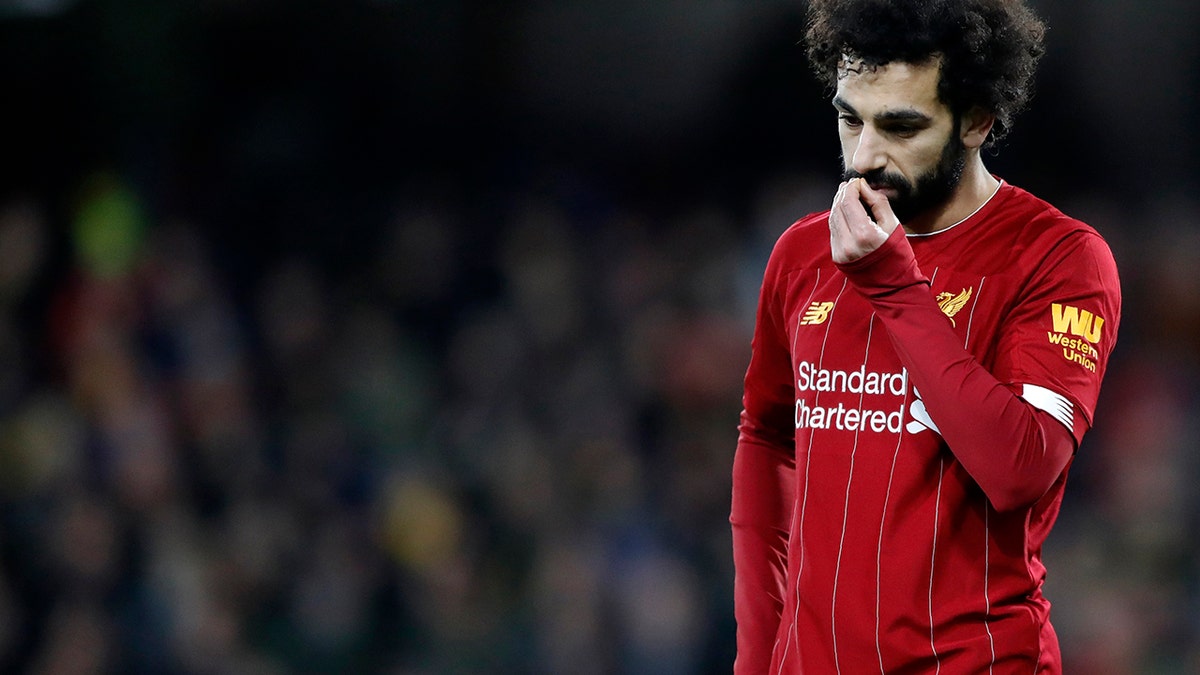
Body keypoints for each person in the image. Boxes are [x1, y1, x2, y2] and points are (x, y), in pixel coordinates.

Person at [729, 0, 1122, 672]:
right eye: (850, 118)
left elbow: (1021, 466)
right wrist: (760, 654)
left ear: (977, 120)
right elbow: (769, 440)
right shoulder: (802, 255)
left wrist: (895, 289)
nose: (865, 156)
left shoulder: (1059, 258)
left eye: (901, 126)